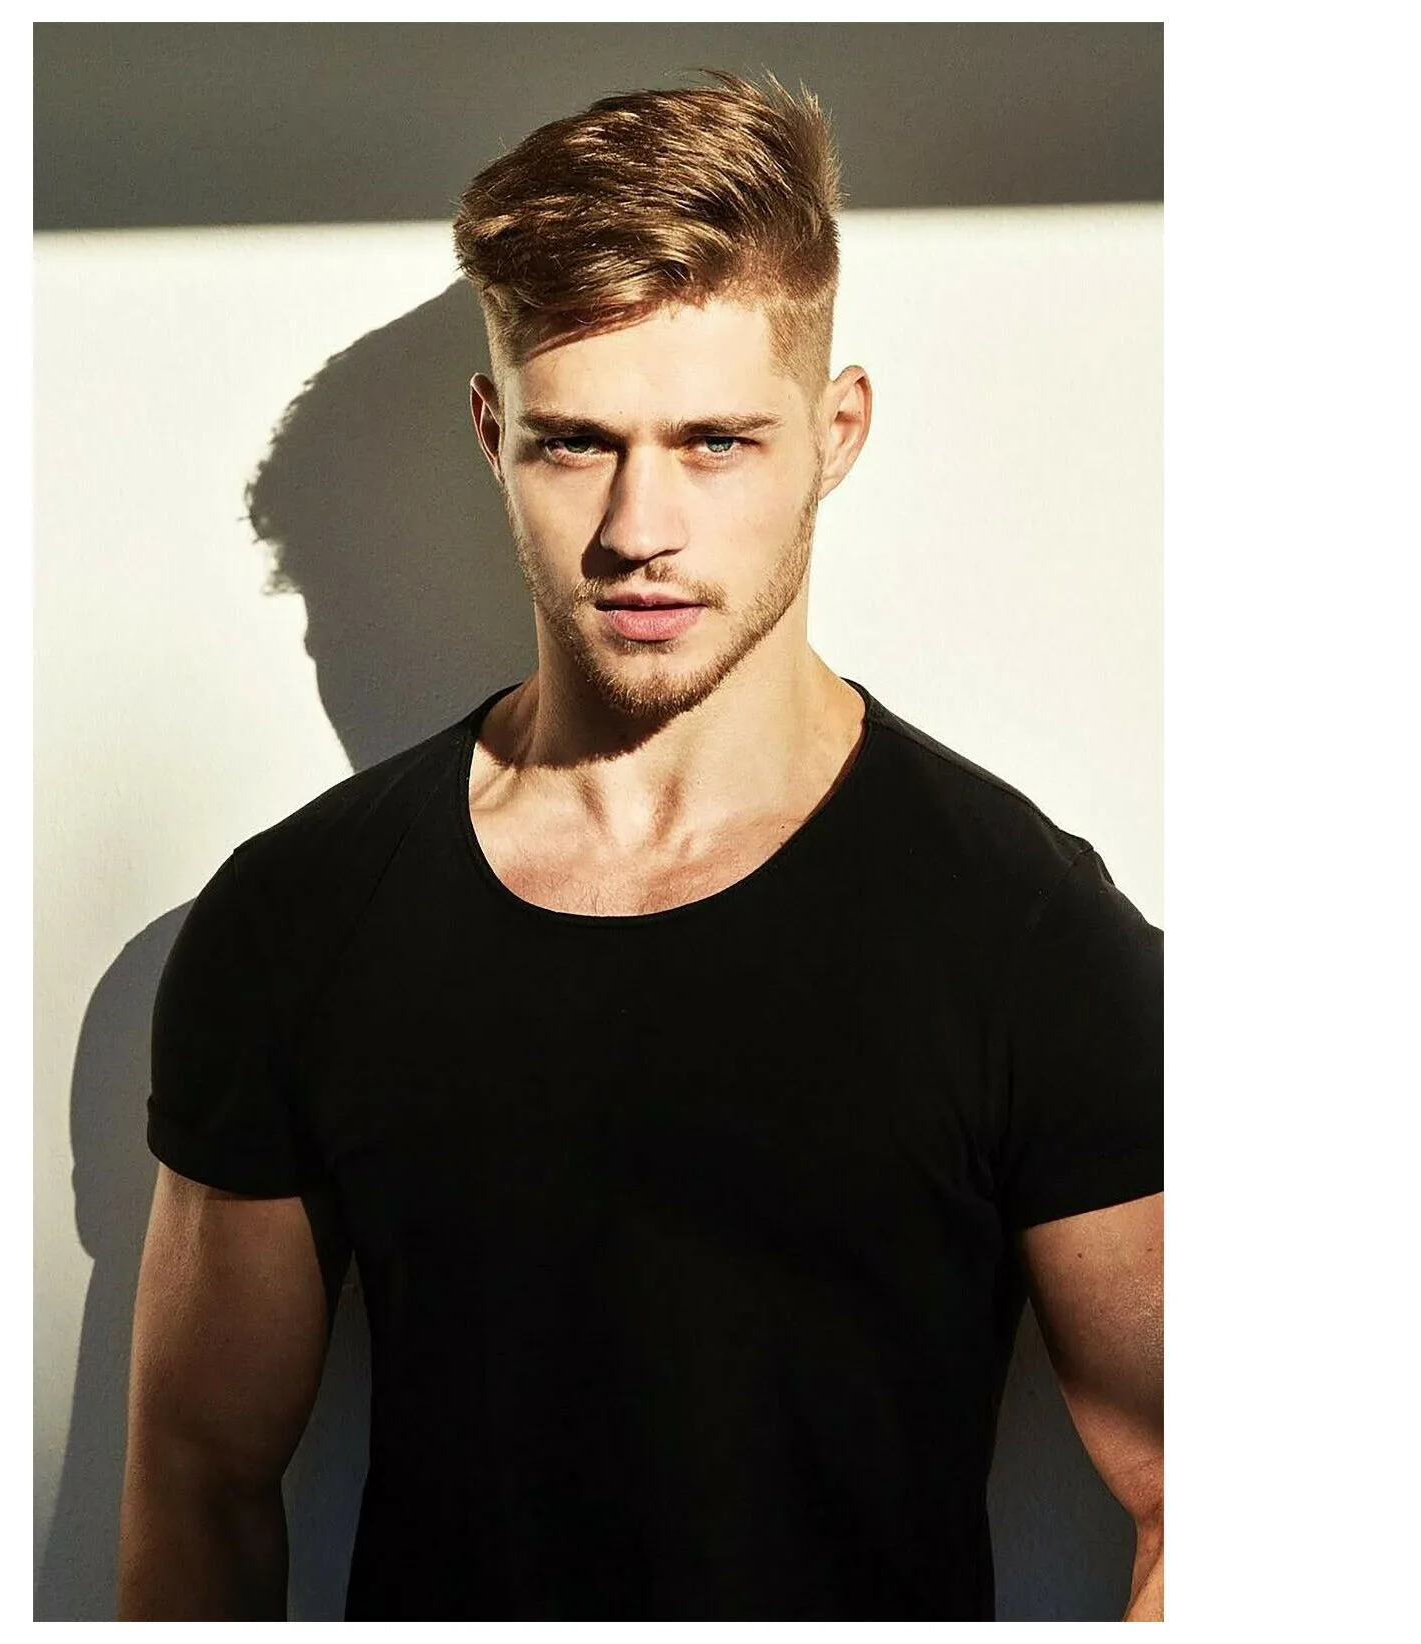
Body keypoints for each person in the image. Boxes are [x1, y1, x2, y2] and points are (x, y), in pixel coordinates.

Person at [117, 71, 1163, 1622]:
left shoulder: (1021, 932)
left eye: (717, 441)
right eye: (575, 444)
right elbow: (198, 1491)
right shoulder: (300, 916)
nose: (638, 530)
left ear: (836, 431)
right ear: (494, 433)